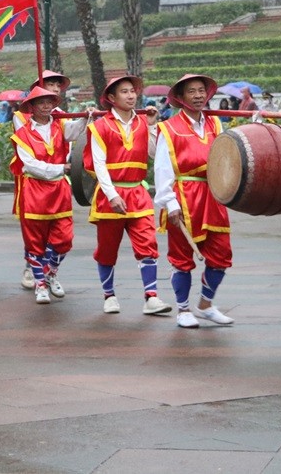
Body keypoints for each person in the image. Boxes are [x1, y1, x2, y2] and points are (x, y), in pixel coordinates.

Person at [153, 74, 235, 328]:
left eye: (202, 91)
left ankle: (206, 304)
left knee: (221, 254)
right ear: (180, 97)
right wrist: (170, 203)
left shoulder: (215, 125)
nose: (199, 95)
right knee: (182, 257)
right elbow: (162, 169)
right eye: (192, 91)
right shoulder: (169, 128)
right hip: (184, 196)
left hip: (213, 196)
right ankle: (183, 309)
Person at [85, 75, 171, 316]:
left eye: (133, 91)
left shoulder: (144, 122)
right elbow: (99, 165)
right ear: (111, 98)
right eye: (124, 92)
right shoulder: (100, 126)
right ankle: (109, 295)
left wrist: (153, 125)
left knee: (148, 244)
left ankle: (151, 296)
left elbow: (155, 154)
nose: (131, 95)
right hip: (109, 195)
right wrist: (111, 195)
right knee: (107, 249)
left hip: (137, 191)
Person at [11, 86, 87, 304]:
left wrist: (86, 117)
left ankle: (50, 272)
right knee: (35, 242)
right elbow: (30, 165)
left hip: (59, 191)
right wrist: (60, 168)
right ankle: (40, 284)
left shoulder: (60, 125)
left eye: (49, 102)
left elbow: (77, 131)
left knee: (64, 239)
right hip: (35, 191)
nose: (46, 106)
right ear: (31, 107)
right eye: (40, 103)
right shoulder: (22, 134)